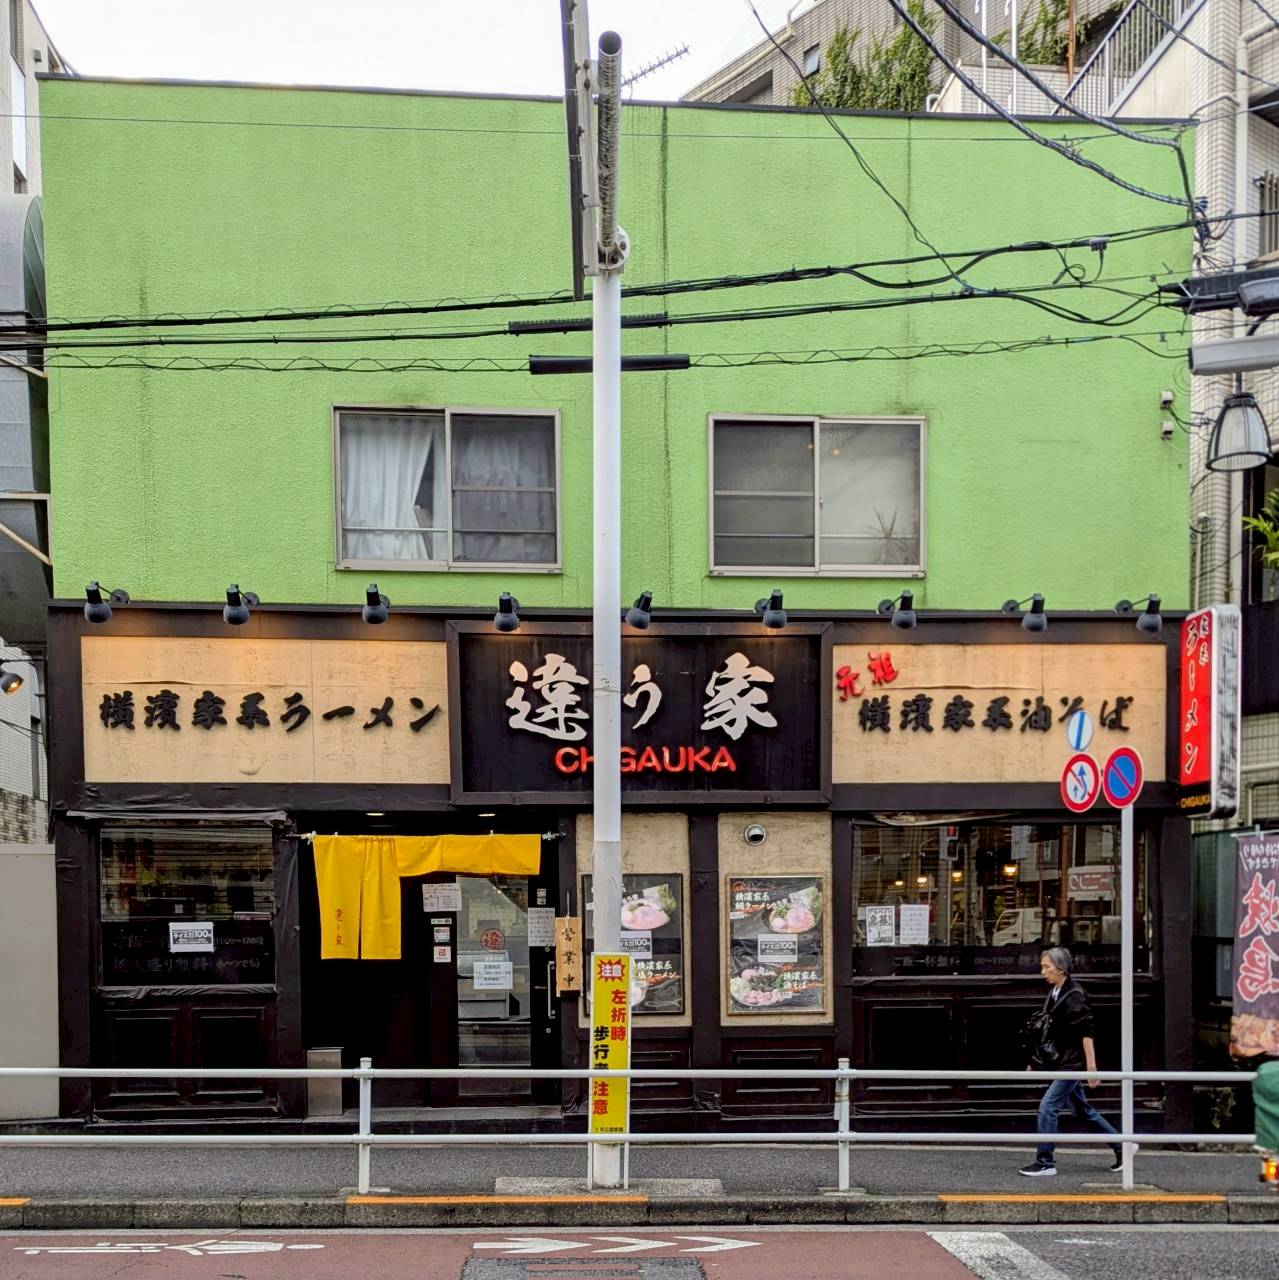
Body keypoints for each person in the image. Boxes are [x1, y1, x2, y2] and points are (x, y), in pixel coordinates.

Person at [1019, 946, 1123, 1178]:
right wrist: (1035, 1061)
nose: (1042, 971)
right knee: (1082, 1112)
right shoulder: (1056, 990)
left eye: (1047, 967)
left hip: (1072, 1064)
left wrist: (1091, 1068)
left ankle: (1045, 1162)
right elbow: (1047, 1032)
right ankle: (1122, 1146)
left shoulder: (1074, 993)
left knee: (1047, 1108)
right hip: (1062, 1062)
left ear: (1061, 968)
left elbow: (1086, 1031)